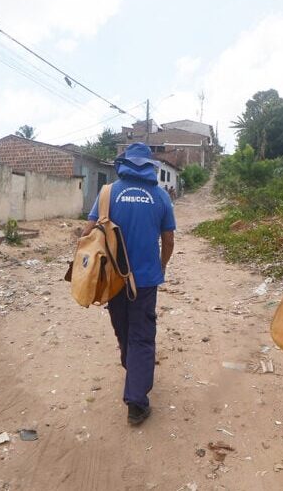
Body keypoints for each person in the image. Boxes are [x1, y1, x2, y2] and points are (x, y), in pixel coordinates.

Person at [83, 142, 175, 425]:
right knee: (142, 336)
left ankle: (133, 371)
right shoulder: (161, 197)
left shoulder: (108, 193)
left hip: (113, 279)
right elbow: (169, 240)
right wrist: (161, 264)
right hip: (145, 281)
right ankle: (136, 403)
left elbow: (88, 234)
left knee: (123, 328)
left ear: (124, 163)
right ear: (150, 166)